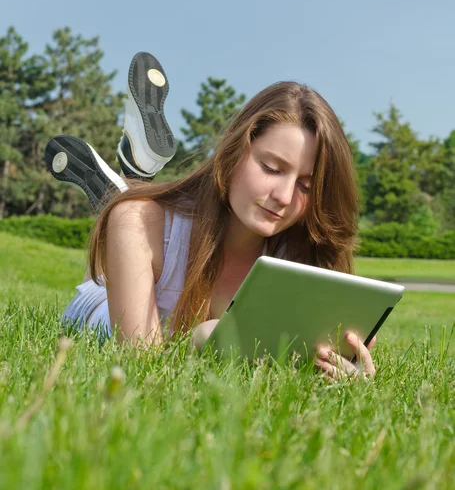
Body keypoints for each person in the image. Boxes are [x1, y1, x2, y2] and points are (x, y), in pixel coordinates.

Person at [45, 51, 376, 380]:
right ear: (234, 152)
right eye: (271, 168)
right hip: (96, 309)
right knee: (130, 220)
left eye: (305, 186)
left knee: (132, 219)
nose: (284, 197)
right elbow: (139, 365)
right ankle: (131, 193)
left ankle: (135, 179)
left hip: (156, 248)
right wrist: (203, 340)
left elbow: (288, 362)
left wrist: (343, 370)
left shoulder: (299, 253)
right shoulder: (141, 223)